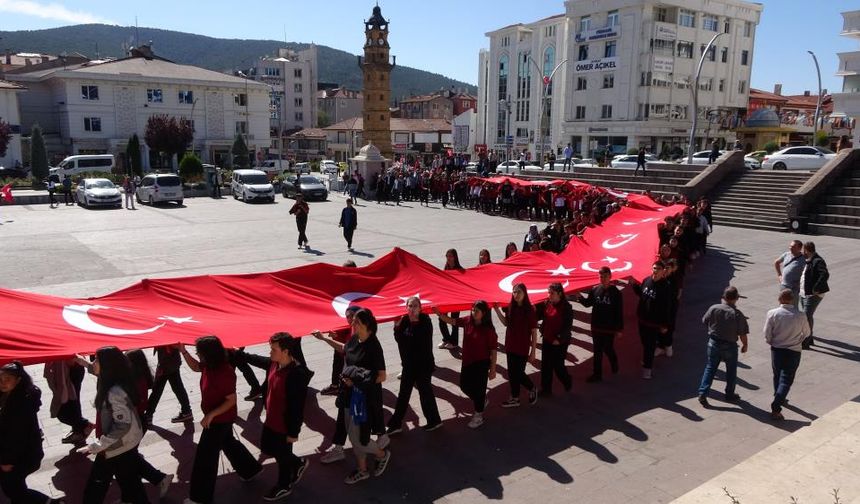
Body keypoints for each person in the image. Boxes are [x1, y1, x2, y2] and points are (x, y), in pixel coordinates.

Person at [180, 336, 263, 504]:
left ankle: (200, 498)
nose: (198, 354)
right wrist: (183, 352)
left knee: (205, 458)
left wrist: (211, 415)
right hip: (219, 419)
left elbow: (231, 400)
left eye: (199, 352)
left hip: (219, 419)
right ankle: (250, 470)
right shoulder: (209, 366)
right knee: (228, 443)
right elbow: (196, 367)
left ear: (208, 354)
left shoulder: (224, 372)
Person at [236, 334, 312, 501]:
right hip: (271, 419)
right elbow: (256, 360)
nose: (270, 352)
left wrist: (293, 433)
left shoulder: (295, 375)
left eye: (273, 349)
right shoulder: (274, 363)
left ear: (285, 351)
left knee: (283, 456)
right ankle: (297, 463)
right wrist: (238, 354)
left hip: (284, 425)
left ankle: (284, 486)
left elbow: (296, 408)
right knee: (269, 448)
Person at [79, 346, 149, 504]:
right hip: (120, 446)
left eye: (96, 359)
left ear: (107, 365)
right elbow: (93, 369)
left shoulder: (114, 392)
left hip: (116, 446)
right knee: (131, 484)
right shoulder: (115, 380)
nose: (93, 362)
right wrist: (79, 360)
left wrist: (97, 445)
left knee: (96, 486)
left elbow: (122, 425)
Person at [333, 308, 391, 484]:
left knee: (357, 438)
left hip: (362, 399)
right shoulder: (354, 339)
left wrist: (357, 382)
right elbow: (345, 350)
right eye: (353, 321)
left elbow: (382, 376)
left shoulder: (373, 346)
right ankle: (362, 469)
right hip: (348, 395)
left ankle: (382, 454)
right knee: (353, 436)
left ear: (367, 325)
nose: (353, 324)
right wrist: (324, 339)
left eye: (357, 322)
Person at [0, 361, 67, 504]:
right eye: (0, 379)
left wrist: (5, 461)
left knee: (13, 490)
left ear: (18, 381)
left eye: (7, 380)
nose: (3, 383)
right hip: (21, 454)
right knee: (15, 488)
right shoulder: (10, 395)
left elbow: (15, 437)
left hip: (20, 457)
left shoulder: (20, 405)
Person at [434, 301, 498, 428]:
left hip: (482, 364)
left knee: (479, 390)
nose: (474, 313)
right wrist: (440, 315)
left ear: (483, 313)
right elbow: (453, 321)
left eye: (477, 311)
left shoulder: (489, 330)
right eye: (473, 310)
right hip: (468, 361)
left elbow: (493, 350)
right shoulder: (467, 321)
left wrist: (493, 369)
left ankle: (478, 415)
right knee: (464, 386)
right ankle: (481, 401)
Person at [386, 297, 442, 434]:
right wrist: (396, 327)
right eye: (410, 306)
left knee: (425, 393)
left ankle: (434, 421)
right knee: (403, 395)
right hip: (409, 365)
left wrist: (402, 328)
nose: (412, 309)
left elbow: (417, 341)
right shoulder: (404, 321)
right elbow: (400, 340)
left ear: (420, 308)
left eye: (415, 306)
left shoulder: (426, 321)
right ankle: (396, 424)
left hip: (423, 365)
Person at [313, 305, 360, 464]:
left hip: (357, 387)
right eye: (347, 316)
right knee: (344, 416)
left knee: (359, 425)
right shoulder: (354, 332)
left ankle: (378, 453)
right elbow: (344, 348)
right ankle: (340, 447)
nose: (349, 319)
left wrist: (326, 339)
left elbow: (345, 349)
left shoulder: (361, 337)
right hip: (348, 384)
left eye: (352, 316)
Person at [125, 349, 174, 500]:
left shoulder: (134, 381)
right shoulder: (141, 377)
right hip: (139, 421)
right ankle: (158, 480)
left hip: (135, 423)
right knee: (129, 457)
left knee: (128, 458)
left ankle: (159, 479)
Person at [696, 286, 750, 407]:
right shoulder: (737, 314)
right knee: (731, 370)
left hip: (713, 343)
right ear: (736, 298)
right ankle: (729, 394)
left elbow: (704, 321)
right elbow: (742, 333)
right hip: (730, 345)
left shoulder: (714, 308)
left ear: (723, 297)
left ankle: (703, 393)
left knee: (710, 368)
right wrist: (745, 345)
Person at [764, 289, 810, 421]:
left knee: (777, 374)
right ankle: (776, 405)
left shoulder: (772, 313)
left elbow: (767, 333)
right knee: (787, 379)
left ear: (779, 300)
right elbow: (807, 333)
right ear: (792, 300)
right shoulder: (800, 315)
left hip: (777, 349)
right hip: (794, 350)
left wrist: (771, 342)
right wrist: (798, 340)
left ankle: (777, 395)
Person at [576, 266, 623, 383]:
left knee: (608, 348)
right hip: (596, 326)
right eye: (601, 276)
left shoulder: (616, 292)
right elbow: (588, 303)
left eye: (605, 276)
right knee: (597, 351)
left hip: (609, 328)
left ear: (610, 277)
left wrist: (619, 329)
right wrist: (580, 297)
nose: (603, 279)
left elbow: (619, 311)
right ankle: (597, 374)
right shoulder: (595, 290)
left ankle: (614, 362)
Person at [493, 283, 537, 407]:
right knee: (512, 373)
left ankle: (532, 387)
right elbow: (506, 323)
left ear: (525, 294)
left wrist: (533, 351)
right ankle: (515, 397)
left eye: (519, 292)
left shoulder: (530, 310)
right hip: (510, 345)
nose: (516, 295)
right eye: (514, 292)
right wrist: (497, 310)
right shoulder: (511, 307)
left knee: (518, 373)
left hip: (522, 347)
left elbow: (534, 331)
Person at [631, 261, 673, 379]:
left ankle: (647, 369)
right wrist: (634, 285)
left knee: (649, 345)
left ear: (663, 271)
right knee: (645, 343)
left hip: (653, 323)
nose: (655, 270)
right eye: (654, 268)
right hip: (642, 319)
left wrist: (665, 324)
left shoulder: (666, 286)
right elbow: (642, 294)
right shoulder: (646, 280)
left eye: (658, 269)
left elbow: (667, 307)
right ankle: (647, 359)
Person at [43, 358, 94, 445]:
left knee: (64, 409)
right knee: (72, 403)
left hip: (71, 370)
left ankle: (84, 425)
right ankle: (78, 431)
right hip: (68, 368)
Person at [537, 282, 574, 395]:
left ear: (559, 293)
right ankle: (546, 389)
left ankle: (567, 380)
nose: (549, 295)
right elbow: (540, 315)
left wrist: (559, 338)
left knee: (558, 366)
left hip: (560, 342)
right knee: (546, 365)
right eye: (549, 293)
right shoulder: (547, 303)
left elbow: (567, 326)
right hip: (548, 339)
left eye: (552, 293)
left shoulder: (567, 307)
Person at [145, 344, 193, 425]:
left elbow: (176, 344)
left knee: (158, 389)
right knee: (176, 387)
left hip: (167, 363)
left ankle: (148, 415)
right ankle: (186, 411)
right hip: (169, 361)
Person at [799, 241, 829, 349]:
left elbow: (824, 274)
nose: (803, 252)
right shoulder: (809, 260)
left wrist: (816, 288)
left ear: (807, 250)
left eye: (803, 250)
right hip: (804, 293)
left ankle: (806, 341)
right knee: (808, 316)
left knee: (806, 316)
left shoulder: (818, 261)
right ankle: (810, 338)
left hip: (813, 295)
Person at [437, 249, 465, 349]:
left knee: (454, 320)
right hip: (446, 299)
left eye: (450, 256)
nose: (449, 258)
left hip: (456, 299)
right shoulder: (446, 268)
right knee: (441, 319)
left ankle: (454, 342)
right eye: (447, 256)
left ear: (455, 257)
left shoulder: (460, 270)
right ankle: (446, 339)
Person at [774, 240, 804, 307]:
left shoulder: (803, 259)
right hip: (784, 285)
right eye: (790, 246)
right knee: (782, 305)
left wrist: (801, 283)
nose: (790, 248)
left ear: (799, 248)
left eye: (793, 247)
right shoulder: (786, 254)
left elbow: (808, 272)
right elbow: (776, 262)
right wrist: (779, 275)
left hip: (794, 288)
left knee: (793, 305)